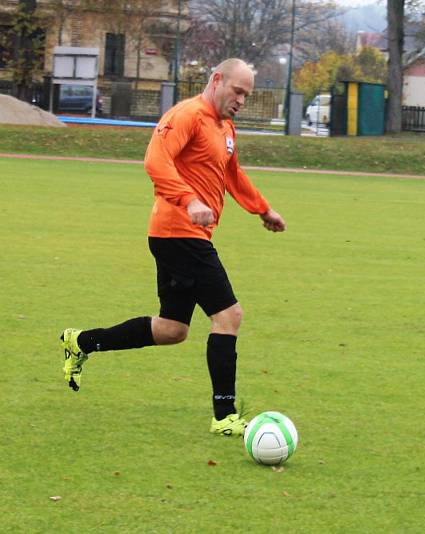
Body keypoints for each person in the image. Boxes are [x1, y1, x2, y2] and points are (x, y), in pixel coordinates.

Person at [60, 58, 286, 435]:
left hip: (184, 236)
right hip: (178, 233)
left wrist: (262, 209)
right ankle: (225, 416)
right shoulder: (187, 115)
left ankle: (81, 341)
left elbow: (232, 173)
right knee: (229, 316)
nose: (242, 100)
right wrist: (188, 199)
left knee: (172, 329)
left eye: (247, 94)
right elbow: (155, 160)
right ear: (217, 80)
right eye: (238, 91)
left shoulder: (226, 128)